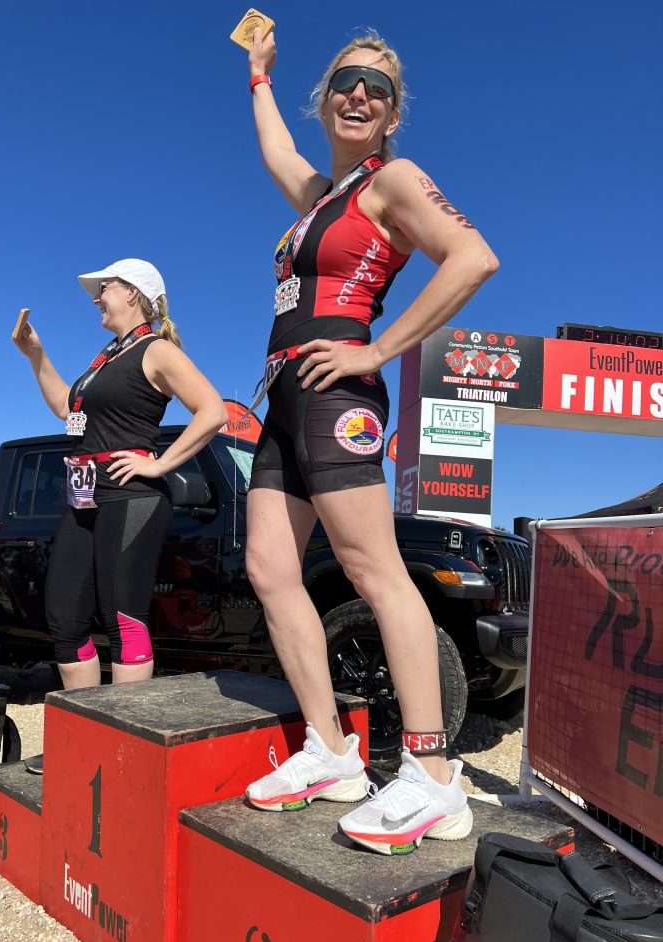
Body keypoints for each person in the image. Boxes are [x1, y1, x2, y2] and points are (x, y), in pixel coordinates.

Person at [242, 32, 500, 854]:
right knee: (270, 569)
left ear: (392, 115)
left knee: (373, 570)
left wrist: (377, 350)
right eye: (346, 82)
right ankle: (330, 752)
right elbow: (277, 150)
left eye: (378, 88)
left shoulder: (392, 178)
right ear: (325, 100)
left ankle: (432, 775)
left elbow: (473, 258)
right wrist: (258, 74)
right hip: (284, 395)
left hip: (336, 388)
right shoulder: (324, 195)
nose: (360, 95)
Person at [13, 259, 226, 773]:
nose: (95, 298)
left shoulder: (157, 350)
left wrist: (161, 463)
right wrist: (36, 354)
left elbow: (213, 411)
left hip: (132, 497)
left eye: (103, 288)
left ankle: (119, 751)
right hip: (84, 497)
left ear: (133, 293)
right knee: (65, 618)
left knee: (123, 618)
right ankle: (81, 742)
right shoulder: (105, 360)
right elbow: (66, 409)